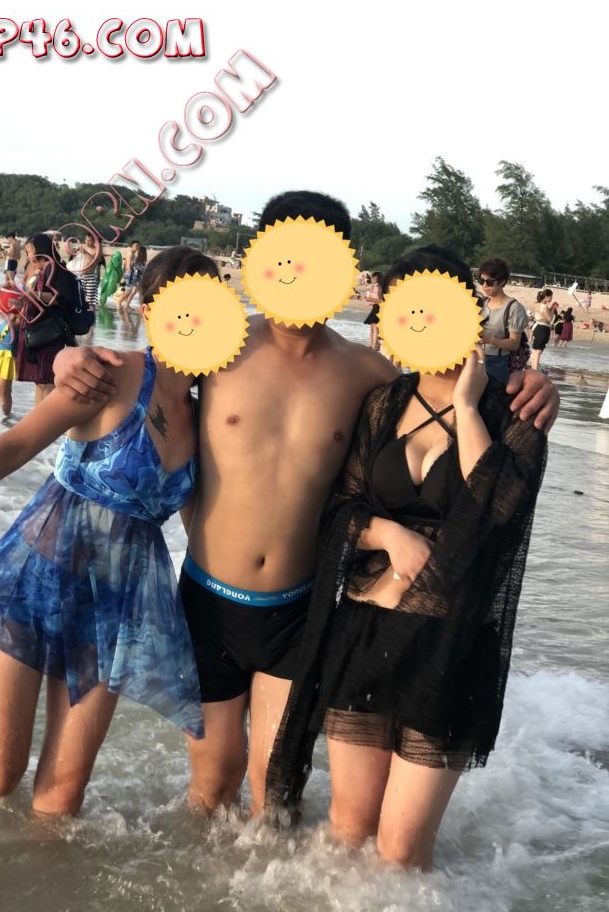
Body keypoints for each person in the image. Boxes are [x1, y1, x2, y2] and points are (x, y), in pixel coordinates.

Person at [51, 192, 561, 816]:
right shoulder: (217, 346)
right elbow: (141, 369)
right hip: (209, 600)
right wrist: (69, 354)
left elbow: (444, 390)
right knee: (213, 782)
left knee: (276, 793)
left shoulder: (366, 373)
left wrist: (533, 384)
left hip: (300, 610)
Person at [0, 247, 219, 815]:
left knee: (62, 798)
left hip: (113, 612)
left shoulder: (206, 419)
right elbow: (15, 444)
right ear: (149, 310)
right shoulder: (110, 373)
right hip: (28, 585)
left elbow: (203, 532)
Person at [265, 246, 547, 870]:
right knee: (346, 833)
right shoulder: (384, 403)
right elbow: (339, 508)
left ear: (467, 309)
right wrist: (389, 534)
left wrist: (469, 406)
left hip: (449, 645)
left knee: (400, 855)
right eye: (403, 308)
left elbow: (496, 510)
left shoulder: (512, 410)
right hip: (363, 633)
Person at [15, 233, 80, 406]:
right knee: (40, 381)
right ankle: (37, 417)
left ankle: (48, 419)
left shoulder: (55, 269)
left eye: (30, 251)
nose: (28, 256)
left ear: (40, 250)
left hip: (49, 332)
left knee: (47, 380)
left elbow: (60, 298)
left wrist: (33, 295)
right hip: (40, 330)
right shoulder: (43, 269)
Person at [478, 258, 528, 384]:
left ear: (502, 282)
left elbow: (514, 344)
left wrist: (490, 339)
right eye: (481, 280)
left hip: (497, 363)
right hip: (475, 358)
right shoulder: (480, 303)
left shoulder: (514, 308)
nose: (484, 285)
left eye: (490, 282)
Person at [530, 289, 556, 371]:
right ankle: (535, 369)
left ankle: (533, 367)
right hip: (543, 328)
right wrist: (552, 309)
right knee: (539, 350)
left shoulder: (538, 304)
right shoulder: (544, 307)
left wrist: (550, 308)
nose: (551, 298)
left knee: (535, 349)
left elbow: (542, 313)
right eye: (551, 296)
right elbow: (549, 319)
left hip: (537, 327)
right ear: (546, 297)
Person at [119, 241, 147, 309]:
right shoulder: (139, 260)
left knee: (133, 292)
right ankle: (123, 304)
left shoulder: (136, 259)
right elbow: (131, 267)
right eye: (136, 245)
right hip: (136, 279)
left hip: (133, 278)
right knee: (132, 292)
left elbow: (130, 266)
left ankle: (127, 305)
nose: (137, 248)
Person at [362, 271, 383, 350]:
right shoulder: (374, 287)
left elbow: (381, 300)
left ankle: (375, 346)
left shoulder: (380, 288)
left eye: (374, 278)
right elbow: (373, 298)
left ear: (378, 278)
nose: (373, 279)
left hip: (379, 307)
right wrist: (367, 298)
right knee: (371, 326)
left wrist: (371, 299)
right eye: (372, 277)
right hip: (374, 306)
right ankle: (372, 345)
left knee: (375, 327)